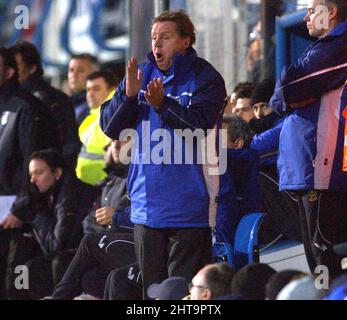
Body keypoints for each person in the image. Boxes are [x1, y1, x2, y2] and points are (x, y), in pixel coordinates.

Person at [100, 10, 227, 299]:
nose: (157, 44)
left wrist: (162, 105)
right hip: (146, 209)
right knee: (153, 295)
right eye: (154, 38)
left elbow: (199, 125)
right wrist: (128, 97)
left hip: (189, 208)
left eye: (166, 37)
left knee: (182, 294)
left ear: (185, 41)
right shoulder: (142, 74)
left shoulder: (205, 78)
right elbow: (109, 126)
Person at [270, 0, 347, 277]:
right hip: (309, 170)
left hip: (325, 171)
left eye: (312, 10)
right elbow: (281, 101)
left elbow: (289, 87)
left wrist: (285, 95)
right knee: (319, 266)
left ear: (332, 12)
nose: (306, 17)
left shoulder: (338, 45)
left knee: (326, 266)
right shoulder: (322, 48)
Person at [0, 149, 96, 299]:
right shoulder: (49, 194)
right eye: (31, 175)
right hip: (66, 253)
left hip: (82, 254)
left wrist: (38, 214)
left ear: (57, 173)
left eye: (39, 173)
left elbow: (57, 245)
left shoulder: (69, 195)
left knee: (34, 268)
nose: (33, 180)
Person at [11, 41, 81, 169]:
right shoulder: (16, 100)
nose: (11, 73)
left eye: (17, 67)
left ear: (32, 68)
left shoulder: (42, 101)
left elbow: (66, 145)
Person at [76, 70, 118, 185]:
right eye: (88, 90)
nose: (90, 94)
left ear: (112, 90)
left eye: (96, 89)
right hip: (91, 185)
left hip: (106, 184)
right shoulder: (92, 117)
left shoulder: (113, 114)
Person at [67, 53, 99, 126]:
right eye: (71, 70)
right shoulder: (67, 103)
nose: (74, 75)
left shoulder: (97, 104)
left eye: (81, 71)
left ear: (95, 73)